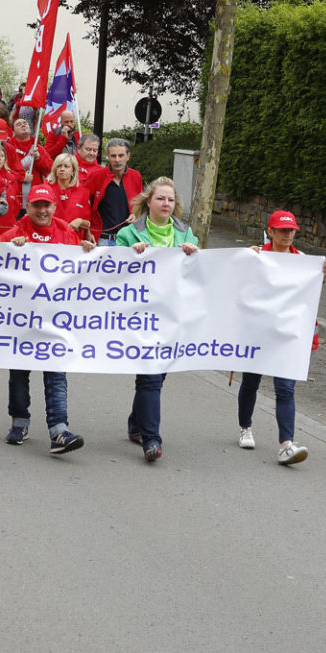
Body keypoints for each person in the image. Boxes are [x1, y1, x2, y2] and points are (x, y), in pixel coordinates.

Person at [237, 209, 326, 465]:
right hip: (258, 331)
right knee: (251, 382)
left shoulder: (303, 261)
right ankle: (245, 427)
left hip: (288, 335)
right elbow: (240, 284)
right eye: (282, 230)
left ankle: (286, 445)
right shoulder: (258, 255)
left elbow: (308, 293)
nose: (287, 235)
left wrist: (322, 275)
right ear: (271, 231)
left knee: (285, 388)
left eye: (291, 230)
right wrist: (244, 259)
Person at [114, 177, 198, 462]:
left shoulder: (186, 234)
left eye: (171, 200)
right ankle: (151, 439)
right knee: (151, 374)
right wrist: (129, 255)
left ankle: (136, 424)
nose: (166, 204)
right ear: (148, 201)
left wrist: (193, 255)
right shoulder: (128, 233)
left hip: (172, 316)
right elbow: (112, 272)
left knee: (157, 376)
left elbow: (198, 273)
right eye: (160, 198)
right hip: (140, 316)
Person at [0, 184, 86, 455]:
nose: (42, 210)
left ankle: (59, 430)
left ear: (54, 207)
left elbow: (81, 270)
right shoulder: (14, 233)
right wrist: (10, 248)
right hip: (21, 318)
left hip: (56, 319)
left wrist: (87, 251)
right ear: (28, 207)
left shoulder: (67, 232)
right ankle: (19, 422)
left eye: (46, 205)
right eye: (36, 205)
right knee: (19, 373)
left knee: (56, 372)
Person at [86, 138, 143, 244]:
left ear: (128, 156)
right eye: (113, 156)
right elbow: (84, 205)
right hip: (103, 238)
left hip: (127, 238)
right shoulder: (96, 176)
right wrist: (87, 231)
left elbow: (140, 204)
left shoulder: (135, 176)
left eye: (121, 155)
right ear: (108, 156)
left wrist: (135, 214)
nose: (117, 160)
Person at [46, 153, 93, 239]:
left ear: (73, 171)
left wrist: (80, 221)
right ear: (55, 170)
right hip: (49, 238)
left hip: (73, 240)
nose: (62, 169)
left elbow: (88, 223)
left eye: (66, 166)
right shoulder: (45, 189)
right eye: (59, 166)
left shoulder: (83, 192)